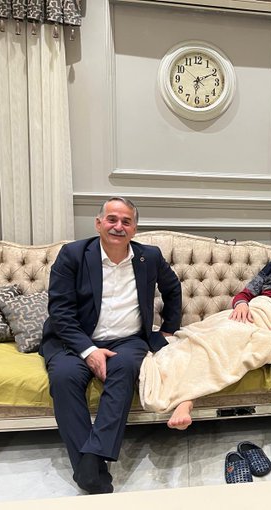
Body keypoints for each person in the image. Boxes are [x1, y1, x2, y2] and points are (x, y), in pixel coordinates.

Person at [40, 197, 182, 494]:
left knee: (125, 370)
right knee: (64, 378)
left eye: (126, 221)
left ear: (134, 228)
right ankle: (91, 470)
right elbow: (60, 312)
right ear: (98, 223)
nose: (119, 226)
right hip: (74, 339)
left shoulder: (149, 256)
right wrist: (89, 351)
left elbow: (172, 288)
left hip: (128, 340)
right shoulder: (73, 255)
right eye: (112, 219)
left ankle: (91, 460)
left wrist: (169, 329)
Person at [166, 222, 271, 430]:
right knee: (206, 337)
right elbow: (244, 294)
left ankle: (186, 401)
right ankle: (182, 391)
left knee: (224, 340)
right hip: (251, 313)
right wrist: (242, 304)